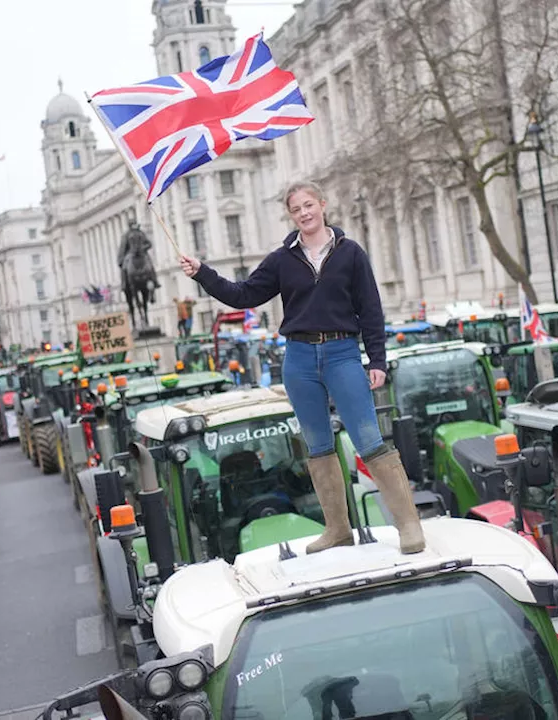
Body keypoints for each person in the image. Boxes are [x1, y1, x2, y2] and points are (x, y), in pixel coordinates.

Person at [179, 180, 425, 554]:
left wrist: (377, 359)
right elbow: (243, 295)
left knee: (368, 438)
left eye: (309, 205)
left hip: (343, 353)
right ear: (291, 215)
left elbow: (371, 309)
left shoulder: (351, 253)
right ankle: (337, 530)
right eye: (296, 209)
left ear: (323, 205)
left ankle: (409, 526)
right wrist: (202, 273)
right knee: (318, 445)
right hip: (299, 359)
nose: (304, 213)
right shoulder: (282, 259)